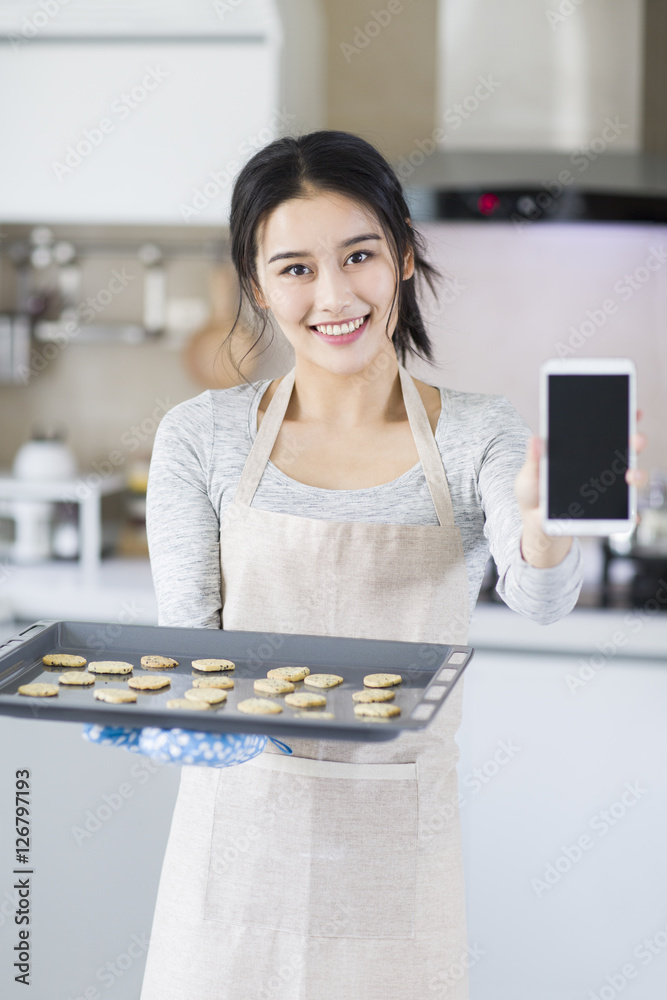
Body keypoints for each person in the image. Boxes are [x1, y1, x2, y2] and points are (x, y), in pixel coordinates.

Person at [86, 130, 644, 1000]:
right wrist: (178, 708)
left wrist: (543, 525)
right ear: (257, 285)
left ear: (405, 256)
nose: (335, 294)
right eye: (296, 268)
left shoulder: (476, 433)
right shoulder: (201, 437)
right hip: (236, 847)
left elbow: (540, 600)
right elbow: (191, 644)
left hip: (392, 859)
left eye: (359, 255)